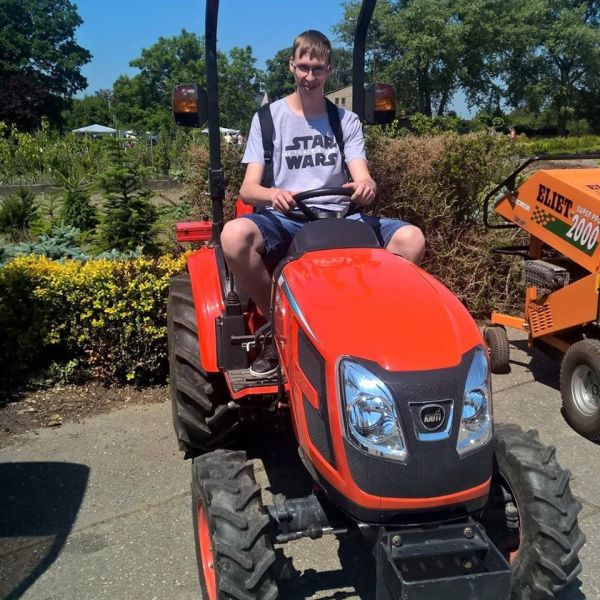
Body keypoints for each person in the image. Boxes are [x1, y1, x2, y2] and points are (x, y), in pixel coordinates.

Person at [220, 29, 425, 377]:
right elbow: (248, 189)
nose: (309, 76)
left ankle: (368, 325)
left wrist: (366, 186)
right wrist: (273, 194)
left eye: (317, 69)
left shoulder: (345, 121)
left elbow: (362, 175)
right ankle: (278, 326)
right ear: (291, 66)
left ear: (329, 70)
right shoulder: (267, 119)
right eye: (303, 67)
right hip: (288, 219)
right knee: (233, 236)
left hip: (340, 218)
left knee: (412, 239)